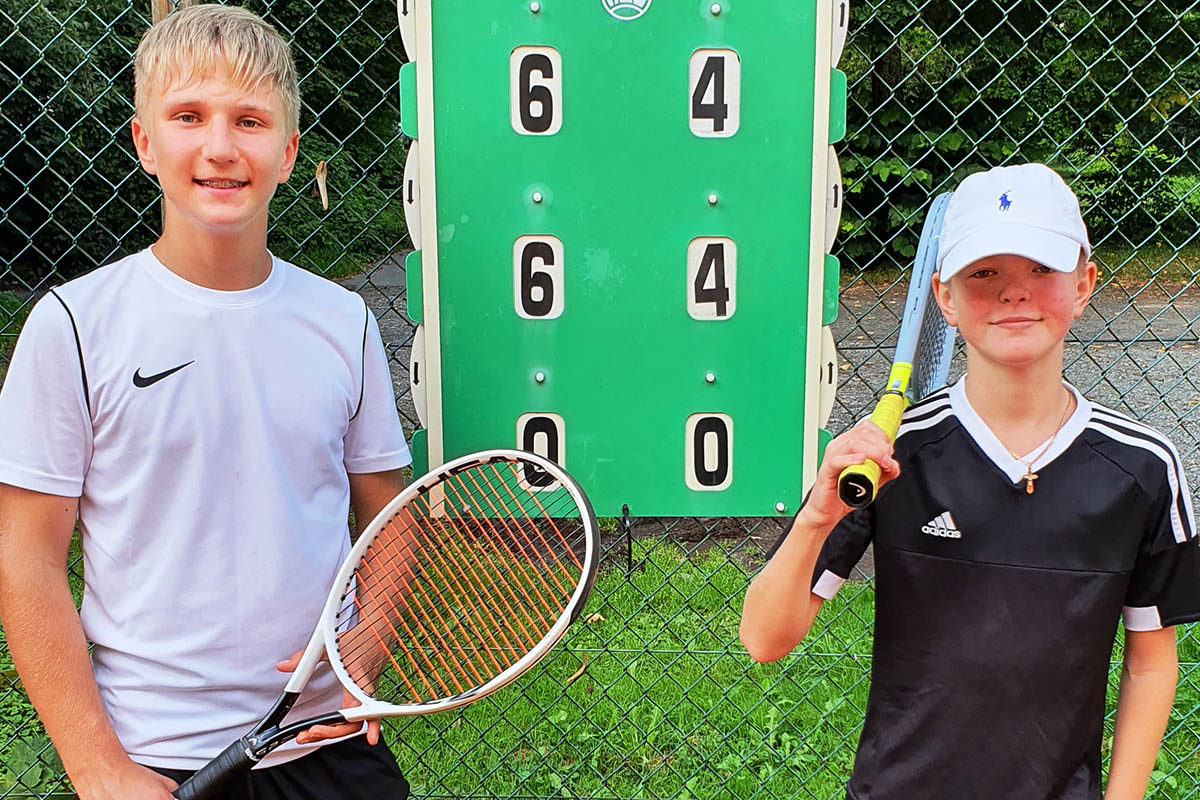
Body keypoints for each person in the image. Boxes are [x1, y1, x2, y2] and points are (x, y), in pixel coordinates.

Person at [0, 6, 413, 799]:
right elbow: (27, 558)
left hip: (323, 744)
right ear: (144, 142)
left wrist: (364, 646)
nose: (220, 147)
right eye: (189, 116)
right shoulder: (75, 326)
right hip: (152, 756)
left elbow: (389, 518)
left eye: (250, 121)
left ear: (288, 152)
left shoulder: (342, 320)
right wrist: (97, 766)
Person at [740, 162, 1199, 799]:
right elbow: (765, 638)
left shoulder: (1143, 467)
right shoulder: (891, 457)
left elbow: (1151, 663)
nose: (1015, 293)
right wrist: (817, 517)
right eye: (984, 273)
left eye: (1042, 268)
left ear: (1085, 283)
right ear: (945, 297)